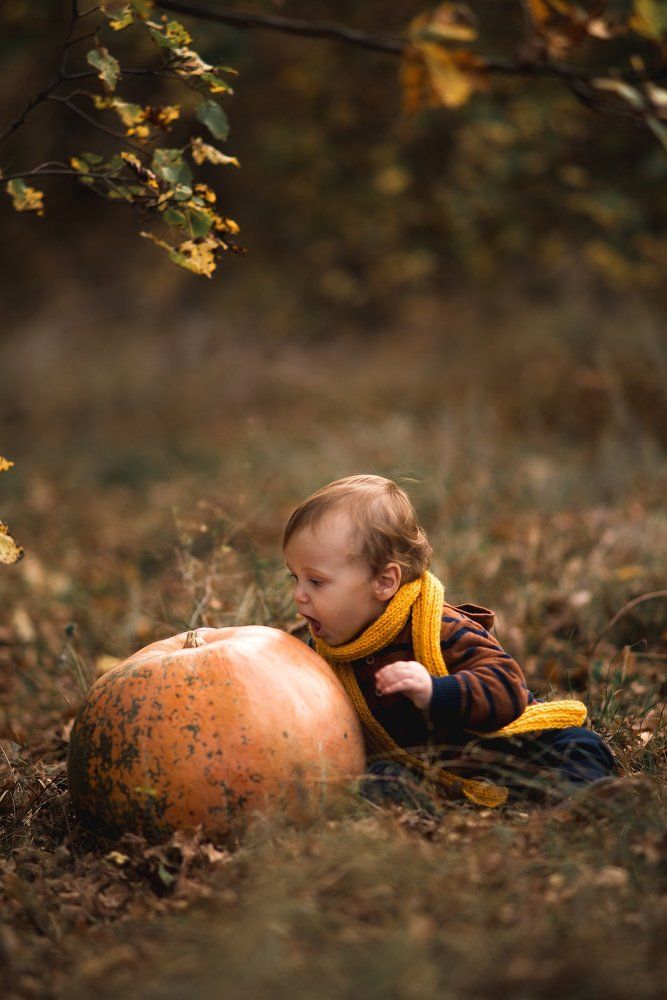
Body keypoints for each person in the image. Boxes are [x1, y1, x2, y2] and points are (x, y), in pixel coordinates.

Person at [282, 474, 615, 810]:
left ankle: (578, 804)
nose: (298, 596)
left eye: (316, 581)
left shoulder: (438, 627)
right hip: (428, 771)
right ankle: (422, 815)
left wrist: (435, 691)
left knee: (578, 746)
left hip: (504, 749)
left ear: (384, 581)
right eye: (294, 578)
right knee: (378, 778)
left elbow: (506, 687)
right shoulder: (326, 652)